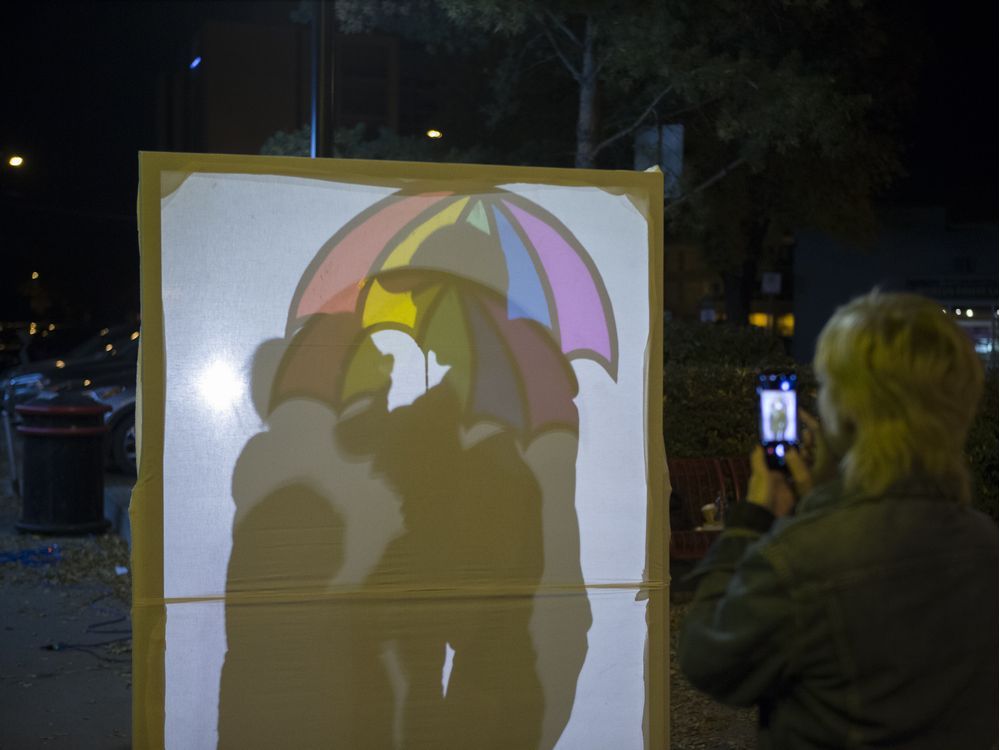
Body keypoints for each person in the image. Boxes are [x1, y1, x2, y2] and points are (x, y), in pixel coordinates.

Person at [679, 290, 998, 749]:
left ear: (848, 409)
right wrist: (820, 502)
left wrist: (750, 520)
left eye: (826, 386)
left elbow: (707, 657)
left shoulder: (801, 560)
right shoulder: (985, 545)